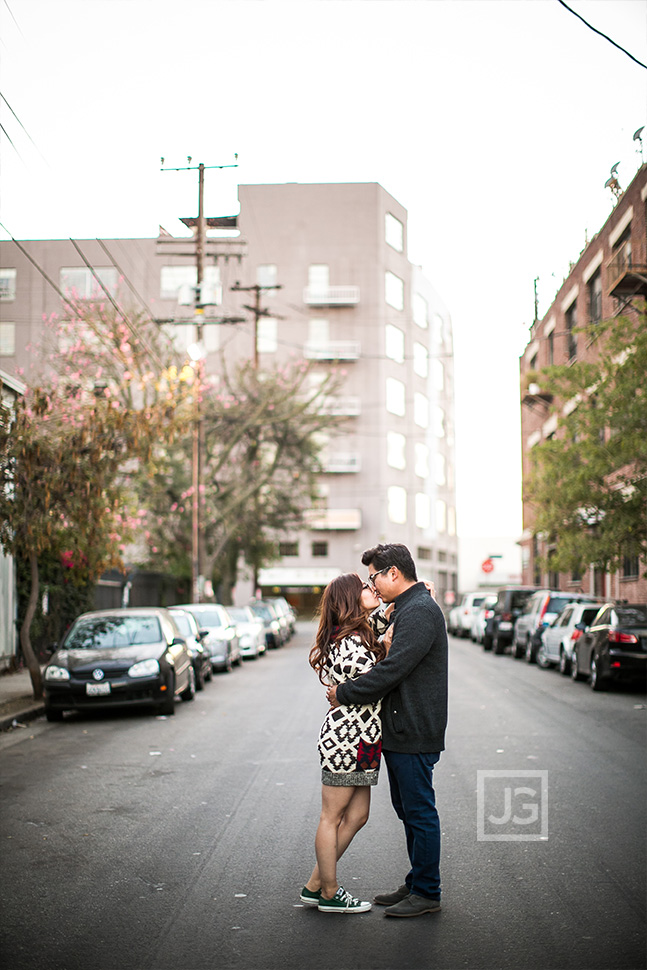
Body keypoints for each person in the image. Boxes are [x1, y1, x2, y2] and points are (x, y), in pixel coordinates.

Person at [326, 543, 448, 919]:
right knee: (408, 810)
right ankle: (417, 882)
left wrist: (342, 693)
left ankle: (427, 891)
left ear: (393, 573)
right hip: (400, 728)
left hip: (413, 728)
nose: (373, 585)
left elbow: (392, 670)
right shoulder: (410, 607)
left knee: (419, 812)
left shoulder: (420, 612)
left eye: (375, 576)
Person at [300, 572, 389, 914]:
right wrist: (390, 650)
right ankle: (330, 892)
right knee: (332, 816)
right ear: (351, 599)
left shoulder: (360, 631)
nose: (372, 589)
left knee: (358, 815)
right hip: (345, 739)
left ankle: (314, 885)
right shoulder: (349, 643)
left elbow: (382, 620)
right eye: (365, 587)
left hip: (365, 739)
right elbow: (376, 682)